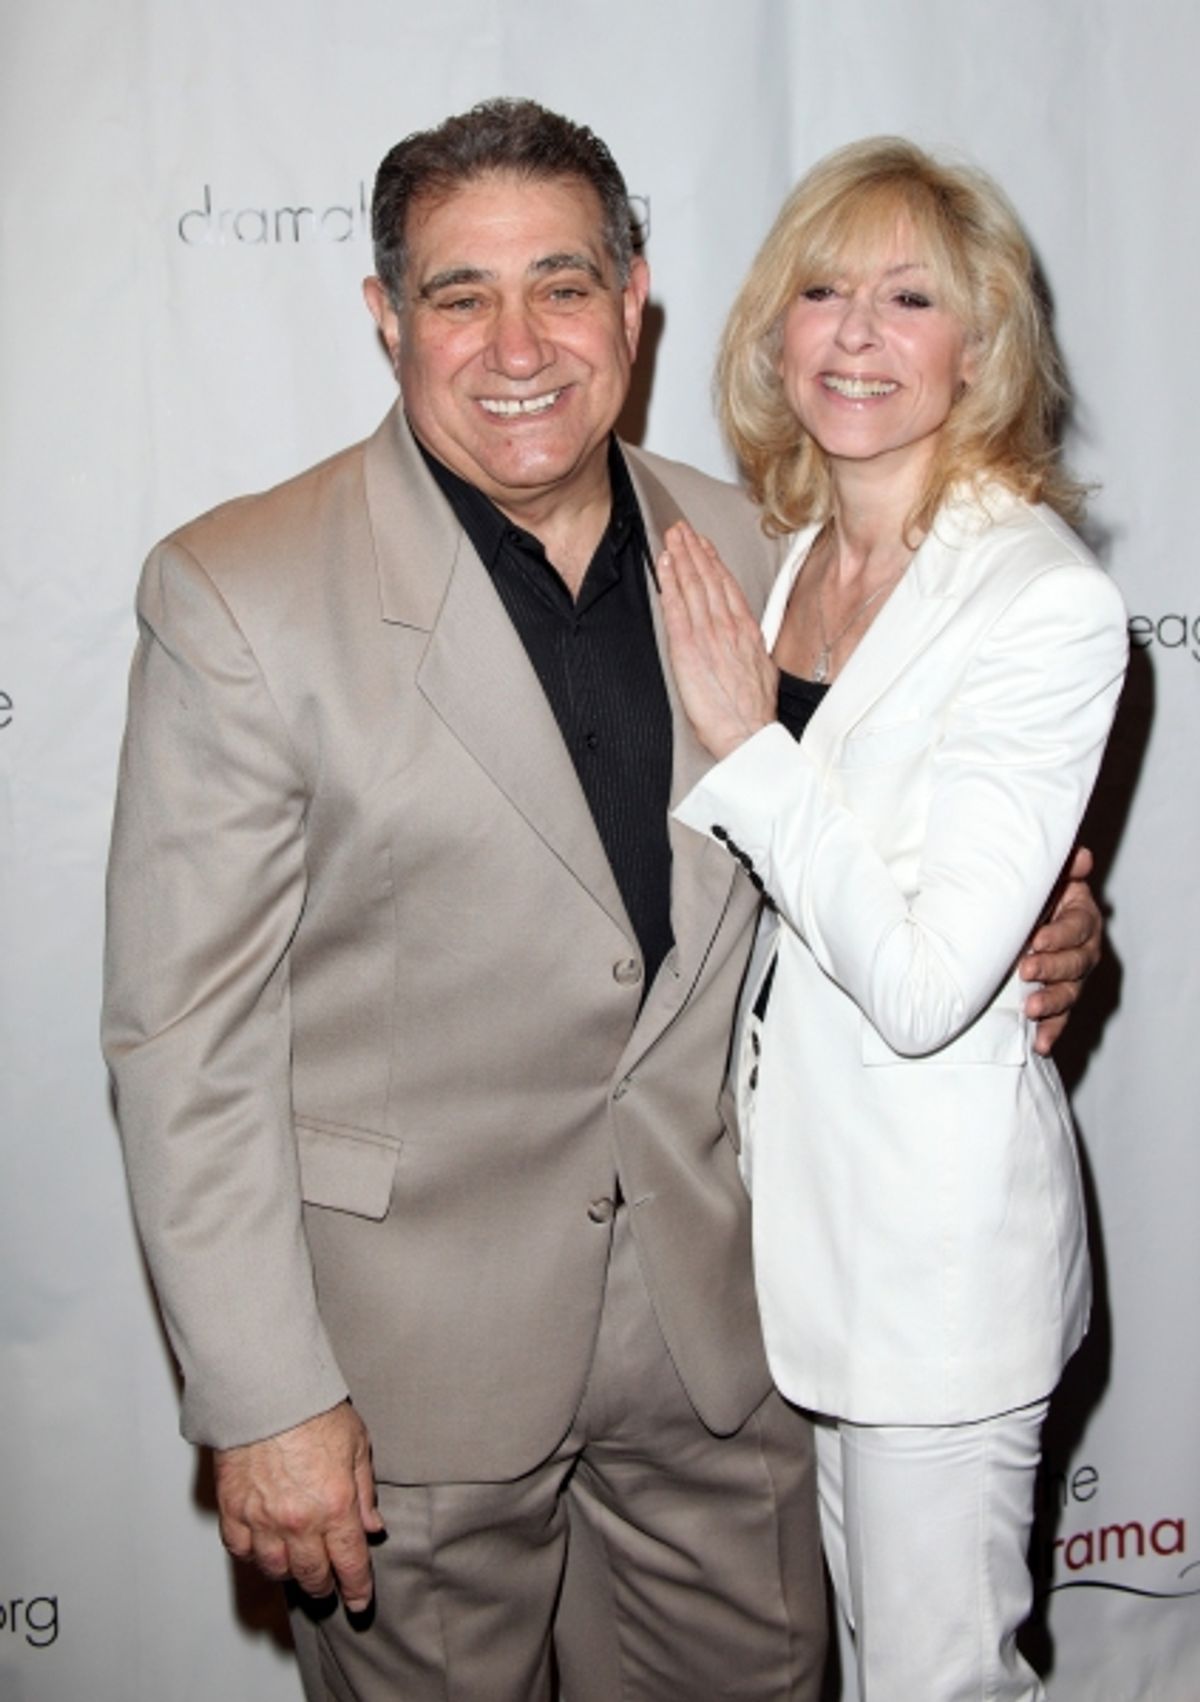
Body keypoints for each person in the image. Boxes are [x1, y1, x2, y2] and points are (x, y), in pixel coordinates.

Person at [102, 103, 1100, 1702]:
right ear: (383, 317)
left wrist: (1055, 926)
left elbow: (902, 827)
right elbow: (181, 1041)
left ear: (635, 300)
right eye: (457, 294)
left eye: (563, 286)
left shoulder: (762, 542)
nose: (519, 345)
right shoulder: (244, 591)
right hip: (406, 1381)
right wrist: (262, 1395)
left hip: (735, 1349)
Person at [659, 137, 1127, 1702]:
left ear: (981, 349)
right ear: (771, 329)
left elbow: (927, 981)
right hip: (803, 1244)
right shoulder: (787, 560)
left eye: (910, 297)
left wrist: (752, 749)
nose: (857, 333)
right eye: (824, 290)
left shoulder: (1037, 598)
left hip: (933, 1268)